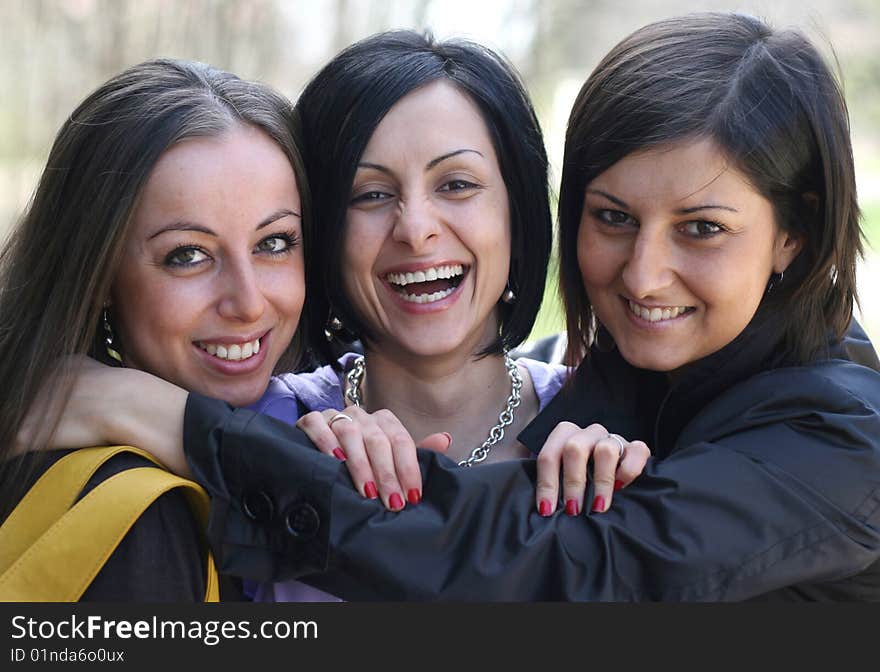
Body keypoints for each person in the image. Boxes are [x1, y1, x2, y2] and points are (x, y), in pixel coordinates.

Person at [24, 11, 880, 600]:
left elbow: (562, 573)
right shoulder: (253, 435)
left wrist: (169, 415)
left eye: (459, 184)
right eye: (614, 218)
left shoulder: (802, 438)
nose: (646, 275)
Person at [1, 58, 310, 600]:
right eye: (187, 254)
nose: (248, 301)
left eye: (274, 243)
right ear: (98, 274)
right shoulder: (134, 518)